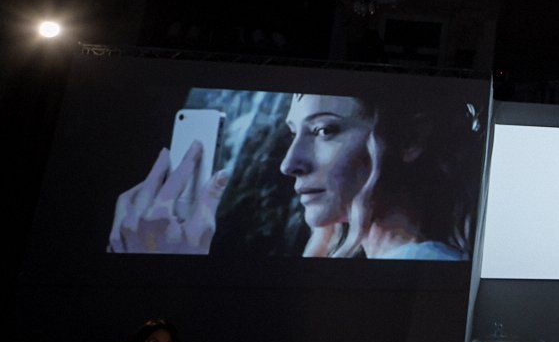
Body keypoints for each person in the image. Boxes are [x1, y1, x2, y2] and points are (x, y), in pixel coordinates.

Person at [108, 86, 483, 260]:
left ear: (411, 139)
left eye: (324, 130)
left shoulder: (425, 260)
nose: (289, 164)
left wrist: (171, 266)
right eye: (292, 133)